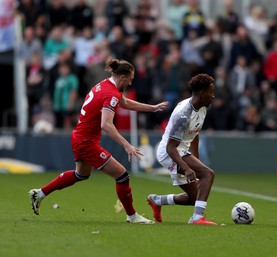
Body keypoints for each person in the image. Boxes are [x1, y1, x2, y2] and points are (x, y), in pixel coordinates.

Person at [29, 56, 168, 224]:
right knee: (122, 175)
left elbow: (124, 102)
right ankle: (132, 216)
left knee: (80, 175)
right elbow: (106, 125)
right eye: (130, 80)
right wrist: (127, 145)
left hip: (80, 137)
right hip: (86, 142)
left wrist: (151, 108)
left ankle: (39, 193)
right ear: (122, 78)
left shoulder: (105, 85)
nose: (130, 83)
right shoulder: (111, 94)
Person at [147, 74, 217, 225]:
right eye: (211, 92)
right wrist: (186, 168)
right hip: (170, 153)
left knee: (194, 198)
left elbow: (194, 134)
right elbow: (170, 147)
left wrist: (195, 160)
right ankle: (197, 218)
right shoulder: (183, 115)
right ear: (202, 93)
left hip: (182, 150)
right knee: (208, 174)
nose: (213, 96)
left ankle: (157, 200)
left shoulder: (202, 108)